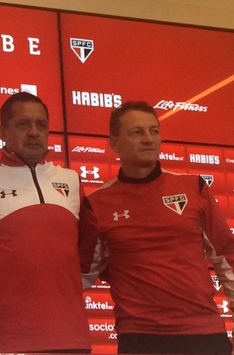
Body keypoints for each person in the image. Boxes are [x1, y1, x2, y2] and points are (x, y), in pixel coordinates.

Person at [78, 101, 234, 354]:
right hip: (139, 338)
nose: (149, 139)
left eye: (154, 131)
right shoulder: (96, 204)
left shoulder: (193, 188)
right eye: (137, 132)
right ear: (114, 143)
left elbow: (227, 256)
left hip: (204, 333)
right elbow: (82, 274)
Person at [0, 92, 92, 352]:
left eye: (41, 125)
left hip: (72, 337)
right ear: (2, 131)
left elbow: (85, 251)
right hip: (7, 340)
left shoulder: (72, 181)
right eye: (23, 125)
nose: (34, 132)